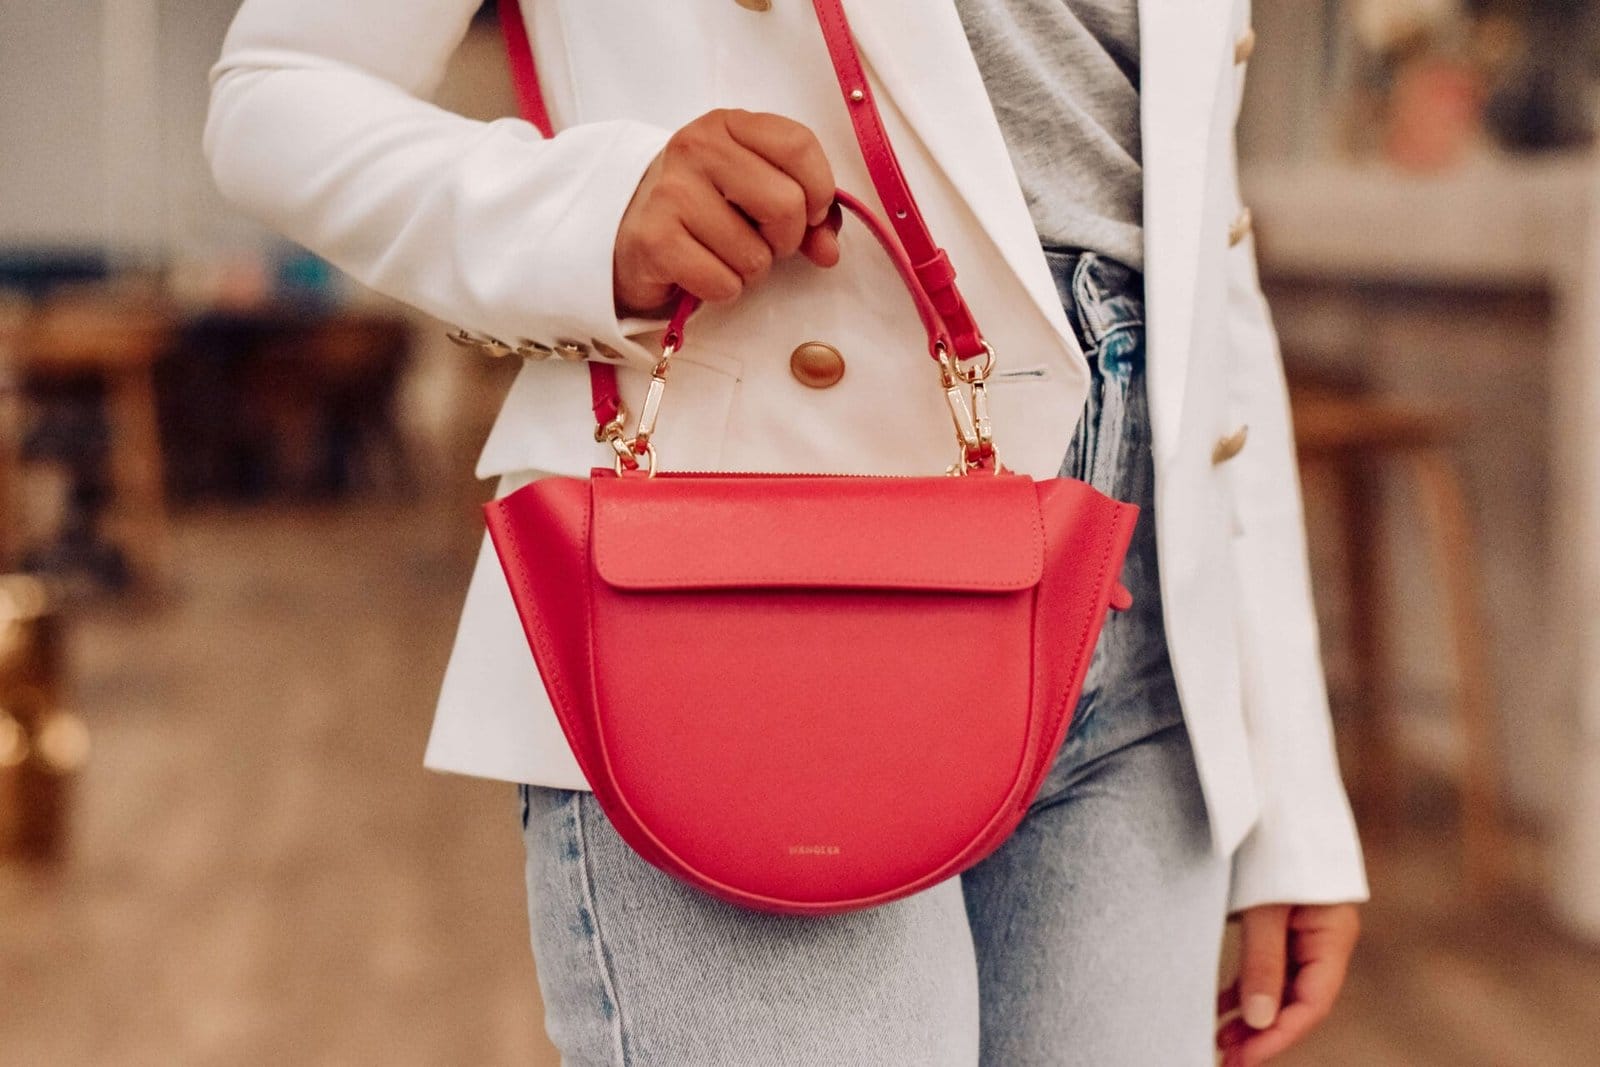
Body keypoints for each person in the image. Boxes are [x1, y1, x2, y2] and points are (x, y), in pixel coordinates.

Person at [206, 1, 1367, 1063]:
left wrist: (1292, 793)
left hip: (1141, 609)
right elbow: (278, 90)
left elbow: (1206, 247)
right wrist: (596, 208)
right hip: (759, 592)